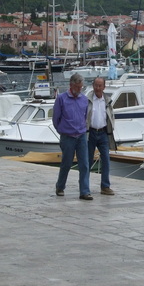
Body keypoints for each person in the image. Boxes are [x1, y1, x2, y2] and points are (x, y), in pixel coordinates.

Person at [52, 72, 91, 200]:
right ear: (71, 85)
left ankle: (84, 191)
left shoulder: (84, 99)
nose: (79, 89)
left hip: (81, 135)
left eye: (81, 87)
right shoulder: (61, 99)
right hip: (67, 136)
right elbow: (56, 118)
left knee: (84, 164)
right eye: (77, 87)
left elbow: (86, 116)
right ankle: (60, 186)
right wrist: (62, 130)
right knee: (66, 163)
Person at [85, 76, 115, 196]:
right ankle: (85, 187)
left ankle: (105, 186)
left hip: (103, 133)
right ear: (93, 86)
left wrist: (111, 127)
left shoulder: (107, 101)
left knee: (106, 160)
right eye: (96, 85)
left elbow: (111, 115)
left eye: (100, 86)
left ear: (104, 87)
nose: (97, 88)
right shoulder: (87, 100)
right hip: (91, 133)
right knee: (87, 160)